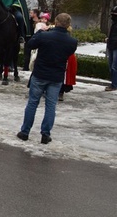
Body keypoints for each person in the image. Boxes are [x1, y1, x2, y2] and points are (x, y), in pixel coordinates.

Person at [16, 13, 78, 144]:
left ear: (56, 21)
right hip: (56, 77)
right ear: (68, 25)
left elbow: (30, 45)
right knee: (51, 106)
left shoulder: (44, 36)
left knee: (33, 103)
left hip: (40, 74)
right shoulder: (72, 42)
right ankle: (45, 134)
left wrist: (39, 32)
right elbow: (68, 54)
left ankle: (25, 132)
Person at [105, 5, 117, 92]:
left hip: (115, 46)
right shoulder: (113, 23)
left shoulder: (114, 23)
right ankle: (113, 83)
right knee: (111, 66)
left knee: (114, 66)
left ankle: (114, 85)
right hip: (111, 45)